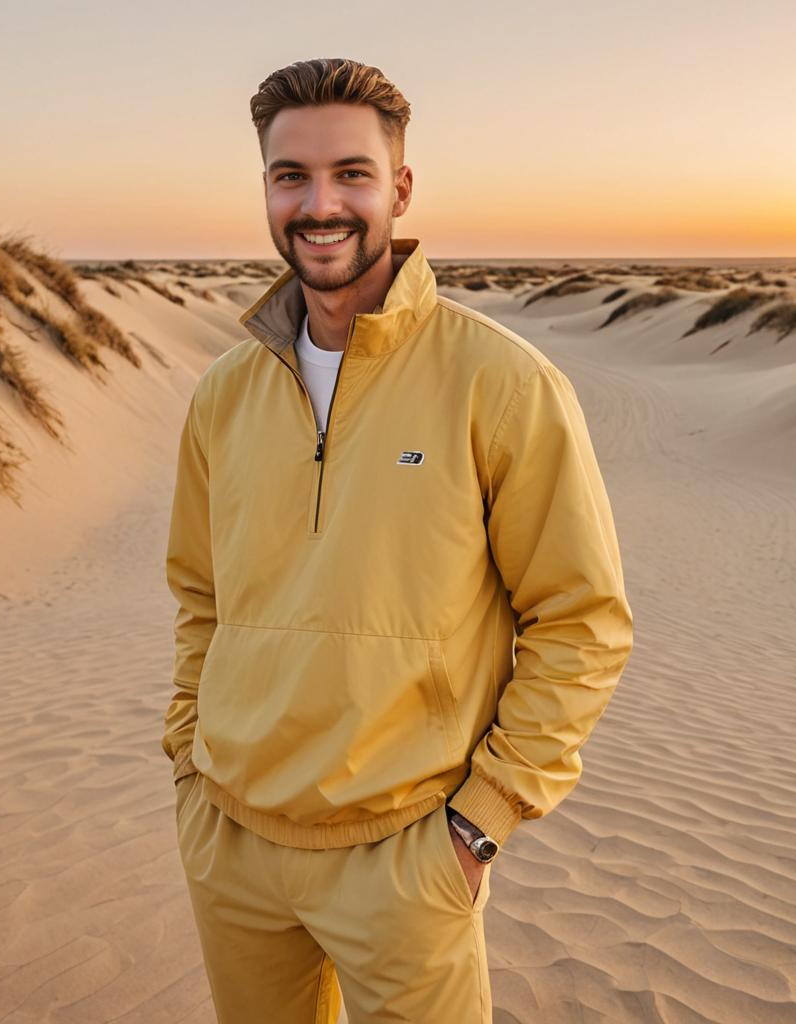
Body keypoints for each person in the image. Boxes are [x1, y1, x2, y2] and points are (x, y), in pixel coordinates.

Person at [162, 56, 634, 1024]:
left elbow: (580, 619)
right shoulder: (224, 392)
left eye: (351, 173)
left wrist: (482, 819)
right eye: (290, 175)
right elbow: (201, 598)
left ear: (400, 188)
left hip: (406, 851)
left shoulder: (500, 381)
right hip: (233, 841)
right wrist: (187, 759)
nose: (318, 202)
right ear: (265, 189)